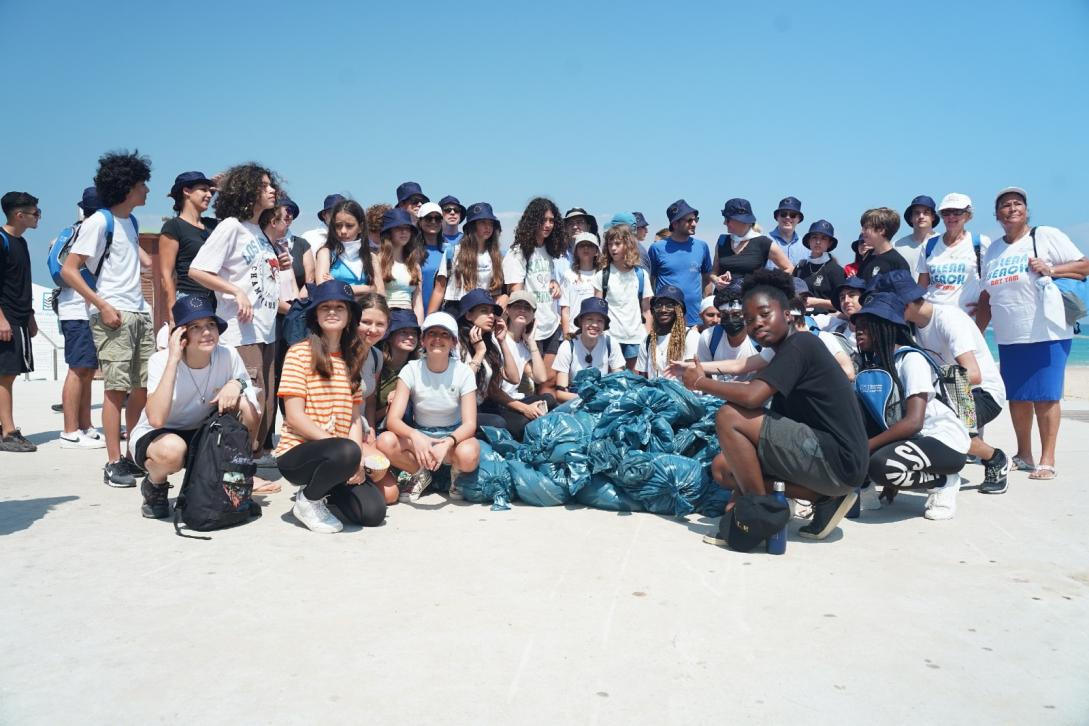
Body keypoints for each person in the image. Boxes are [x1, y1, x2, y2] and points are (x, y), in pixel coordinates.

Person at [678, 269, 869, 543]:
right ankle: (822, 498)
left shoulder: (801, 344)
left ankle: (759, 516)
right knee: (724, 467)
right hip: (830, 465)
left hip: (838, 460)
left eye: (765, 314)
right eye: (749, 319)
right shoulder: (784, 353)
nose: (756, 324)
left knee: (730, 416)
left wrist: (701, 382)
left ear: (788, 313)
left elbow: (753, 396)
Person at [975, 187, 1089, 480]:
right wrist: (976, 334)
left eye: (1017, 204)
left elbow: (1084, 265)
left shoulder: (1044, 235)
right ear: (996, 214)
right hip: (1010, 335)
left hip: (1048, 330)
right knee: (1018, 396)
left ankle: (1047, 459)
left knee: (1047, 397)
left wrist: (1051, 268)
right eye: (1005, 205)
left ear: (1026, 210)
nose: (1012, 208)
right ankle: (1023, 454)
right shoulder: (994, 251)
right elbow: (987, 297)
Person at [63, 151, 155, 485]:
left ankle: (133, 454)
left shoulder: (129, 222)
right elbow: (69, 270)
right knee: (116, 390)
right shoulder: (98, 221)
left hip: (139, 313)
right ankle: (113, 461)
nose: (147, 189)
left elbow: (139, 262)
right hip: (113, 314)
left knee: (142, 388)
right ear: (128, 186)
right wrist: (101, 304)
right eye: (142, 183)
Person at [873, 270, 1010, 494]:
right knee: (913, 418)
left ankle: (995, 458)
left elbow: (973, 374)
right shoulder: (913, 328)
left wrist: (930, 390)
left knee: (944, 428)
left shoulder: (949, 319)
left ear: (904, 304)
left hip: (980, 392)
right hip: (948, 391)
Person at [188, 163, 284, 477]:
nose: (272, 190)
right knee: (247, 406)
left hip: (266, 331)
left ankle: (245, 470)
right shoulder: (231, 226)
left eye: (272, 185)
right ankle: (232, 475)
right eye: (265, 185)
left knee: (265, 406)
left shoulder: (259, 231)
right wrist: (234, 292)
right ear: (247, 190)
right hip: (241, 333)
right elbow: (198, 270)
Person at [130, 296, 259, 519]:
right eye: (196, 327)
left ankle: (237, 476)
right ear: (182, 334)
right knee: (173, 451)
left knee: (247, 405)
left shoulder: (227, 354)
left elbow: (253, 391)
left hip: (202, 432)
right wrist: (173, 360)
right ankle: (155, 485)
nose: (207, 332)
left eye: (210, 325)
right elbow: (157, 419)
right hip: (159, 436)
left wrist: (237, 384)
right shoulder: (160, 361)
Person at [275, 280, 387, 533]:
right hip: (299, 453)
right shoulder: (299, 353)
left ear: (350, 316)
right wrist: (346, 452)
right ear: (315, 314)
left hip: (339, 456)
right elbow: (294, 416)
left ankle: (325, 489)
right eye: (325, 307)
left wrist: (355, 460)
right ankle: (308, 501)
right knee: (346, 450)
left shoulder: (352, 357)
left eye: (340, 307)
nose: (333, 312)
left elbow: (354, 417)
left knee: (373, 513)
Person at [853, 293, 970, 520]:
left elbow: (914, 422)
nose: (858, 331)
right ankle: (867, 490)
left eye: (866, 326)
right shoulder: (874, 364)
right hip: (912, 440)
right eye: (857, 325)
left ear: (886, 327)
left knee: (880, 465)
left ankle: (944, 480)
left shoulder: (910, 360)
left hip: (941, 441)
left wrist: (866, 447)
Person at [377, 311, 480, 502]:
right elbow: (393, 420)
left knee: (468, 454)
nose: (437, 339)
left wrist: (448, 442)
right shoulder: (412, 369)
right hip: (421, 436)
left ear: (454, 342)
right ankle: (419, 472)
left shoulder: (463, 372)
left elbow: (470, 424)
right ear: (423, 341)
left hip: (452, 437)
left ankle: (455, 473)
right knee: (384, 441)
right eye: (432, 334)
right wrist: (416, 436)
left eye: (444, 335)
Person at [56, 188, 105, 449]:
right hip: (78, 310)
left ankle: (85, 426)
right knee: (77, 369)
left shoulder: (72, 231)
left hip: (79, 310)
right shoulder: (90, 231)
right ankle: (70, 430)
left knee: (86, 370)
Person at [505, 197, 566, 387]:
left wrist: (555, 283)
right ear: (532, 221)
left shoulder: (550, 250)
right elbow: (516, 292)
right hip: (532, 329)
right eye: (543, 220)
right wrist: (523, 327)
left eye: (551, 220)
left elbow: (544, 280)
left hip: (552, 325)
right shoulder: (518, 252)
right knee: (535, 383)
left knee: (549, 381)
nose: (548, 225)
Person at [0, 191, 40, 452]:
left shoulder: (22, 243)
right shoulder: (1, 240)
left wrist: (31, 316)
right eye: (35, 213)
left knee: (9, 374)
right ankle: (9, 432)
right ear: (19, 214)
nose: (38, 217)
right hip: (7, 318)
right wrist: (1, 319)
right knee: (6, 375)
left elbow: (22, 283)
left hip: (21, 316)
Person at [353, 292, 398, 503]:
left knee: (390, 495)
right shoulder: (340, 353)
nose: (372, 329)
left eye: (379, 324)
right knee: (378, 471)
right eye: (366, 322)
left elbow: (370, 400)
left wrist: (370, 429)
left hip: (361, 428)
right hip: (338, 431)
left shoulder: (376, 356)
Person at [493, 291, 554, 438]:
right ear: (508, 310)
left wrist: (532, 341)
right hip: (498, 402)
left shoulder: (524, 346)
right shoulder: (496, 338)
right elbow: (493, 391)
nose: (522, 310)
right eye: (517, 306)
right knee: (524, 424)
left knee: (549, 399)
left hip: (515, 399)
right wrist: (524, 408)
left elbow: (540, 378)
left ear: (533, 315)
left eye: (527, 308)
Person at [157, 171, 217, 318]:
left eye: (211, 191)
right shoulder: (174, 226)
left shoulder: (213, 225)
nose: (209, 194)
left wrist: (225, 190)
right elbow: (167, 274)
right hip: (189, 299)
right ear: (186, 191)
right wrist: (173, 313)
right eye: (203, 189)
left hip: (216, 300)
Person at [919, 193, 990, 315]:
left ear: (968, 215)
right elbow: (921, 287)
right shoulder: (929, 245)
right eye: (946, 212)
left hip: (966, 319)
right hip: (931, 318)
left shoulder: (980, 243)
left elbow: (992, 282)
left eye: (957, 212)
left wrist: (985, 306)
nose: (951, 217)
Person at [430, 202, 505, 315]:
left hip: (483, 311)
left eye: (491, 223)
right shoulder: (453, 252)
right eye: (482, 222)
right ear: (472, 226)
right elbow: (439, 290)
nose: (488, 227)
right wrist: (428, 321)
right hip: (456, 309)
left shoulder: (497, 256)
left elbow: (496, 292)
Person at [593, 223, 650, 370]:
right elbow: (597, 310)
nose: (613, 248)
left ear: (628, 244)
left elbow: (646, 311)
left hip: (636, 338)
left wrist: (648, 338)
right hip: (610, 337)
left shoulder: (641, 275)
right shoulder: (602, 276)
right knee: (612, 383)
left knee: (634, 383)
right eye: (610, 244)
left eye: (617, 243)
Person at [648, 199, 713, 327]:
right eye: (689, 220)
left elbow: (707, 278)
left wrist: (707, 303)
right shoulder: (657, 248)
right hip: (666, 320)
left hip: (695, 319)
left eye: (696, 219)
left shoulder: (702, 247)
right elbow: (650, 281)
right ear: (675, 223)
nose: (694, 223)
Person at [712, 198, 793, 297]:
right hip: (722, 302)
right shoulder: (722, 241)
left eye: (728, 219)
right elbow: (713, 273)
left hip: (750, 304)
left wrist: (768, 286)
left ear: (742, 221)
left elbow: (789, 268)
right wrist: (716, 280)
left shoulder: (763, 242)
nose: (724, 223)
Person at [553, 297, 626, 402]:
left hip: (604, 400)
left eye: (600, 321)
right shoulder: (567, 346)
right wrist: (589, 399)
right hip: (575, 402)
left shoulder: (611, 344)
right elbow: (560, 393)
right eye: (589, 319)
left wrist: (604, 397)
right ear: (581, 321)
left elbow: (620, 382)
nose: (595, 325)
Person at [315, 199, 384, 297]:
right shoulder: (326, 253)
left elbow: (380, 292)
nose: (343, 231)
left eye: (349, 226)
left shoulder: (371, 257)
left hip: (367, 311)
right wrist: (367, 288)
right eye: (338, 225)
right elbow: (323, 288)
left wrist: (338, 286)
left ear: (360, 227)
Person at [635, 285, 699, 379]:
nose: (663, 310)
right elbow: (643, 376)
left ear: (679, 310)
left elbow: (693, 374)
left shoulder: (690, 336)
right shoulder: (648, 340)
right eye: (658, 305)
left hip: (681, 392)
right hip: (654, 392)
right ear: (653, 311)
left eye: (669, 306)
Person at [378, 208, 424, 322]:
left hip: (409, 320)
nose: (404, 232)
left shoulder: (415, 265)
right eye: (399, 228)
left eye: (407, 228)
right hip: (386, 319)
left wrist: (420, 330)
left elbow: (418, 303)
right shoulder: (377, 260)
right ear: (389, 232)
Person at [376, 309, 420, 424]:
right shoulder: (376, 365)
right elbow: (366, 414)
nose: (410, 337)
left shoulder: (419, 368)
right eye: (404, 332)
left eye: (414, 333)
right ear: (389, 337)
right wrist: (394, 404)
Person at [792, 219, 846, 312]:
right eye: (814, 237)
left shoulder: (836, 270)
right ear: (809, 241)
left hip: (828, 321)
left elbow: (843, 304)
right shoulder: (800, 267)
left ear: (830, 243)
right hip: (800, 317)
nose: (818, 242)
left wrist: (816, 302)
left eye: (823, 238)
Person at [559, 232, 601, 336]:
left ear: (596, 251)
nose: (586, 248)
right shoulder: (568, 275)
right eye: (582, 245)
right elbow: (565, 309)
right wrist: (566, 336)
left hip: (596, 331)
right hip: (574, 332)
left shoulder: (602, 275)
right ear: (576, 251)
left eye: (590, 245)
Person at [894, 195, 940, 279]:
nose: (921, 216)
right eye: (917, 213)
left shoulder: (943, 243)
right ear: (911, 218)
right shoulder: (897, 246)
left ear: (933, 217)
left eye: (926, 212)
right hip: (906, 292)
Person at [857, 207, 909, 281]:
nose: (862, 232)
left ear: (881, 230)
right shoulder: (867, 257)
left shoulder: (897, 263)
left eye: (866, 228)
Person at [417, 201, 447, 314]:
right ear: (420, 222)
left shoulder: (448, 251)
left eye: (438, 218)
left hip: (444, 313)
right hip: (417, 312)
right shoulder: (411, 252)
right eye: (428, 218)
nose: (433, 222)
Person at [768, 196, 808, 266]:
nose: (787, 217)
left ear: (799, 219)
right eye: (783, 214)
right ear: (777, 217)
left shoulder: (806, 246)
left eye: (793, 215)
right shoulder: (763, 241)